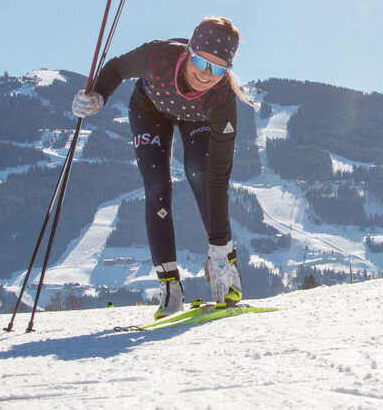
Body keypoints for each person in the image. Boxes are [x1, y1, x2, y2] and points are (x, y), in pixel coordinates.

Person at [71, 16, 249, 319]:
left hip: (197, 118)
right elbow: (115, 68)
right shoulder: (158, 55)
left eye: (219, 69)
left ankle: (225, 267)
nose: (207, 75)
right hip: (149, 108)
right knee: (157, 187)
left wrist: (219, 247)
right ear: (189, 51)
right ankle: (170, 288)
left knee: (202, 175)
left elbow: (219, 179)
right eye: (202, 62)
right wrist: (97, 96)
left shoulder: (221, 98)